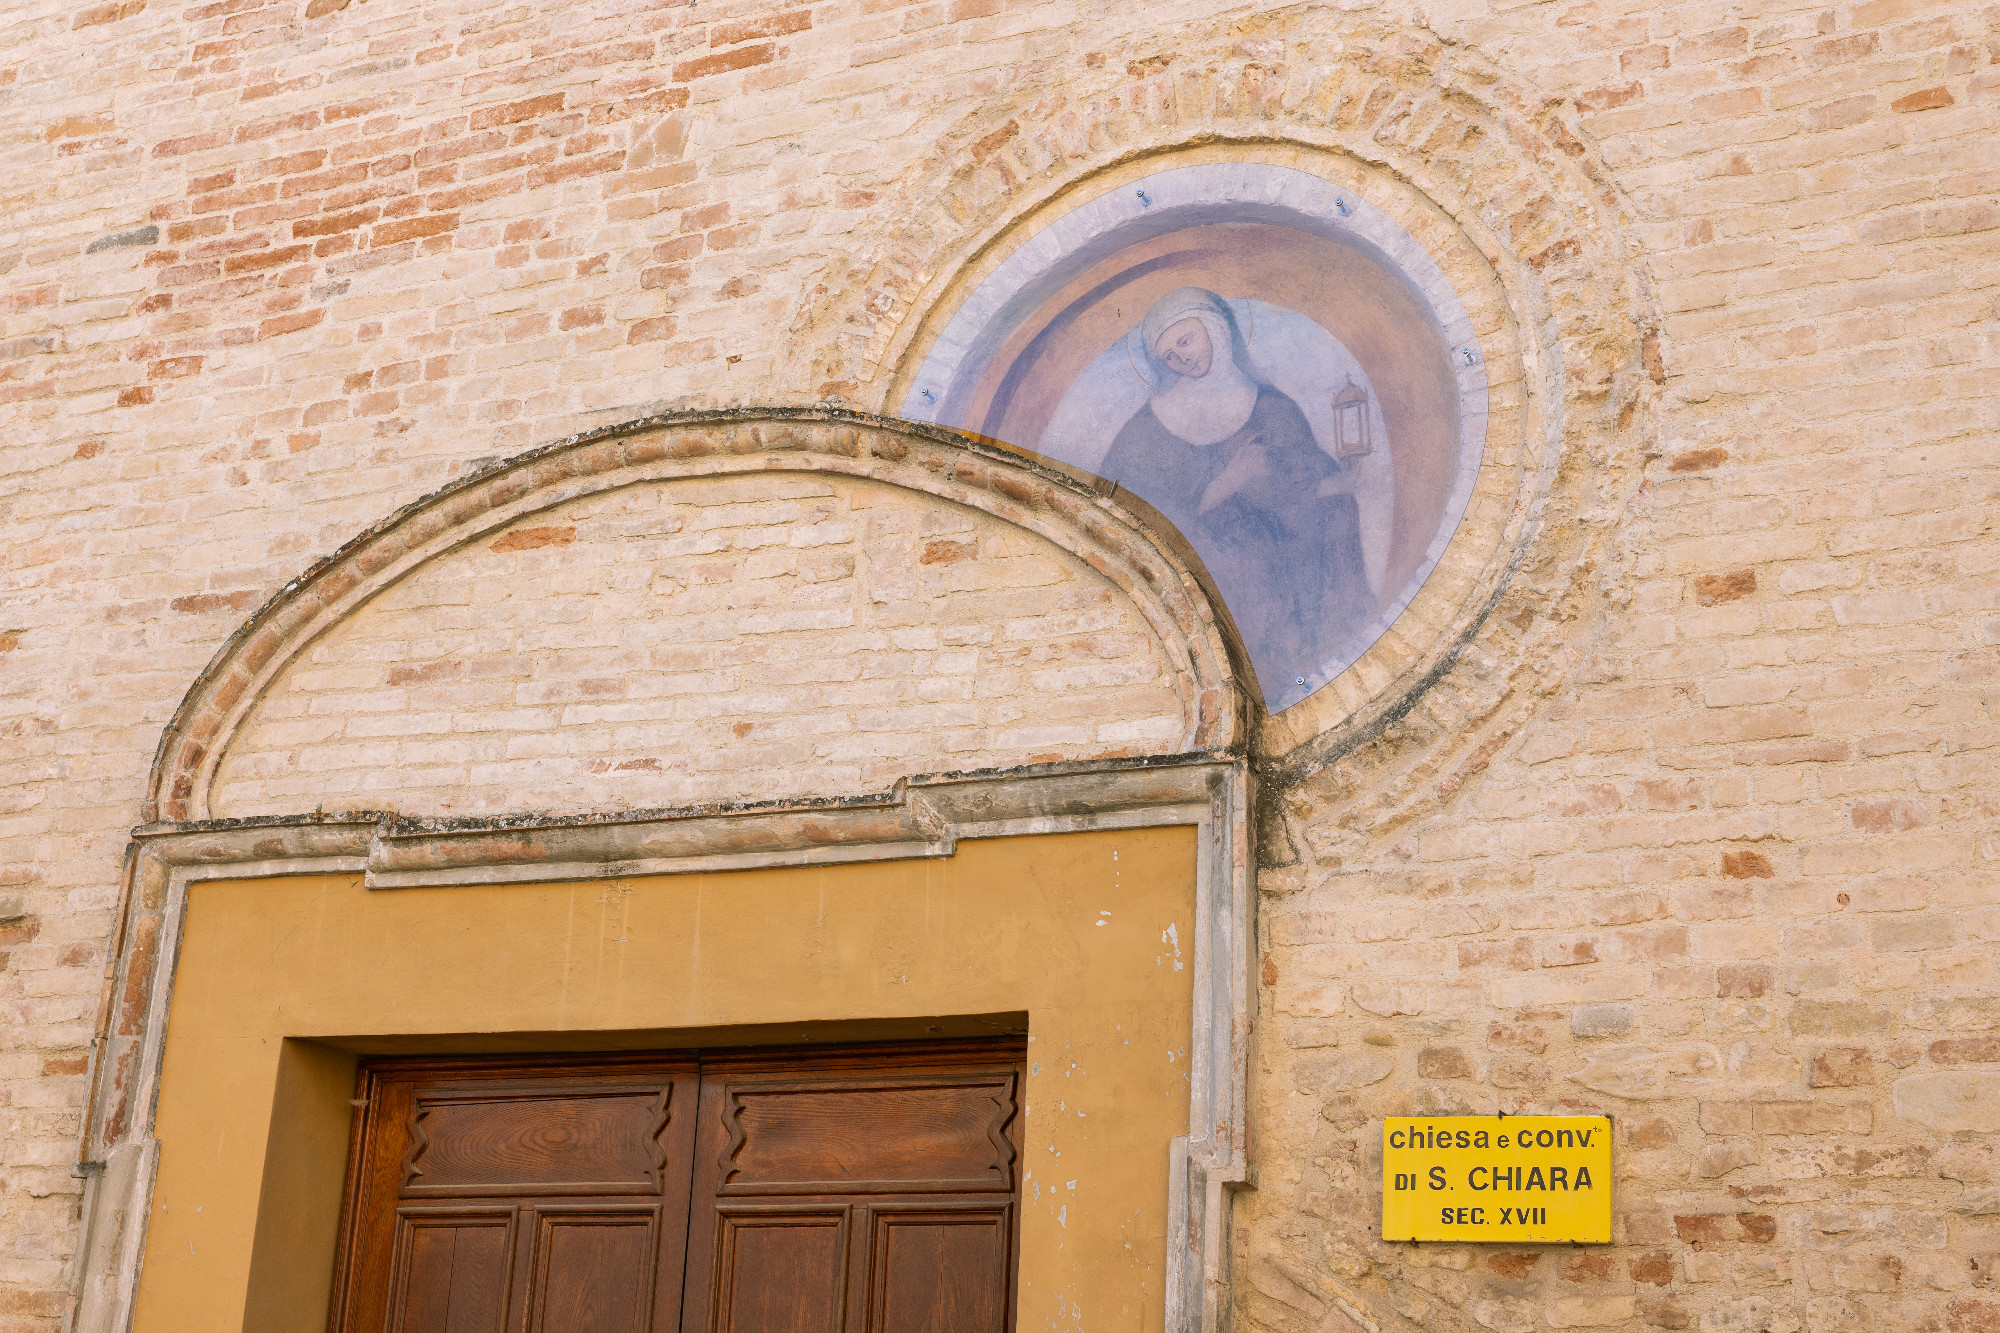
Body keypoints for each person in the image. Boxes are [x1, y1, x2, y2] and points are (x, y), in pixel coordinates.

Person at [1097, 287, 1373, 694]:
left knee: (1338, 513)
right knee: (1244, 563)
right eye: (1168, 355)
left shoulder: (1271, 406)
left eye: (1185, 341)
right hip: (1210, 550)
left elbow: (1296, 479)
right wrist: (1227, 482)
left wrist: (1334, 485)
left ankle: (1332, 658)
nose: (1182, 358)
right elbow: (1128, 515)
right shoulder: (1145, 431)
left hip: (1279, 539)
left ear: (1214, 328)